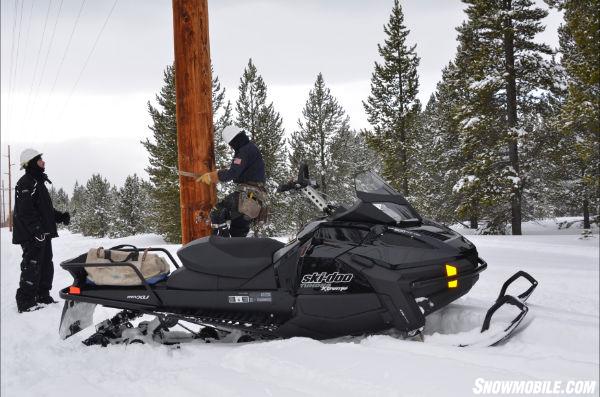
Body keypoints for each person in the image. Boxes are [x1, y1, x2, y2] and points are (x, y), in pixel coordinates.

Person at [12, 149, 70, 313]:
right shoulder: (26, 182)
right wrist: (36, 230)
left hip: (42, 234)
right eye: (39, 160)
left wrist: (60, 216)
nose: (43, 162)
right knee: (32, 265)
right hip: (31, 234)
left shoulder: (38, 182)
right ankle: (25, 301)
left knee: (46, 264)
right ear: (31, 162)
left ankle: (42, 295)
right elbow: (25, 211)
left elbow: (45, 210)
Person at [197, 126, 267, 237]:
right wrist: (222, 173)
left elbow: (233, 173)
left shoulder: (244, 151)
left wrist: (213, 176)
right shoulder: (250, 149)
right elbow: (239, 173)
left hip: (247, 195)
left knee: (217, 212)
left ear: (234, 140)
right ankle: (234, 249)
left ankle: (220, 244)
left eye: (230, 144)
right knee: (238, 232)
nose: (231, 147)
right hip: (254, 199)